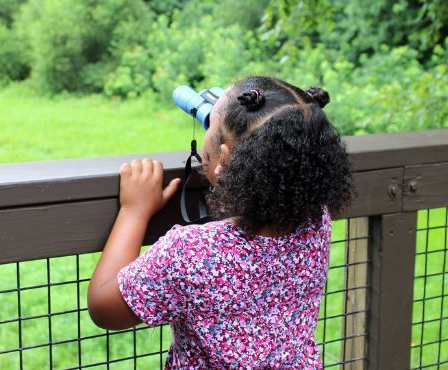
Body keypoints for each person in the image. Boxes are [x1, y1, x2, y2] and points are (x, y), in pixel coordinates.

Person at [87, 76, 355, 368]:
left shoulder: (189, 253)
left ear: (224, 159)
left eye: (211, 128)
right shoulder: (317, 223)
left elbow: (104, 308)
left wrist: (134, 211)